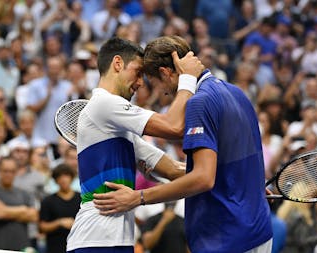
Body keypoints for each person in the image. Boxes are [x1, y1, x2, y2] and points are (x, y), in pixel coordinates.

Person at [94, 36, 273, 253]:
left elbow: (203, 178)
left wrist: (138, 197)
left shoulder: (199, 102)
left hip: (227, 236)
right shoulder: (236, 93)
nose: (164, 93)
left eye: (157, 85)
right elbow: (230, 164)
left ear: (165, 73)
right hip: (259, 231)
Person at [66, 36, 204, 253]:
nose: (140, 83)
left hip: (118, 241)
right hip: (94, 240)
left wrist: (237, 181)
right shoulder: (104, 103)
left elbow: (175, 171)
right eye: (138, 72)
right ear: (118, 64)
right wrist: (187, 79)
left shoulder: (121, 130)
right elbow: (174, 126)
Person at [0, 156, 38, 251]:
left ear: (16, 172)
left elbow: (34, 216)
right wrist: (22, 209)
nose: (8, 174)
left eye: (12, 171)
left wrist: (6, 210)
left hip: (23, 248)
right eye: (5, 171)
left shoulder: (24, 194)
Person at [39, 164, 81, 253]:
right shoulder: (48, 201)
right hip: (55, 246)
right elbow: (42, 227)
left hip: (78, 244)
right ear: (55, 180)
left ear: (72, 177)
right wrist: (59, 223)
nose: (63, 179)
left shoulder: (81, 199)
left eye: (66, 175)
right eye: (59, 176)